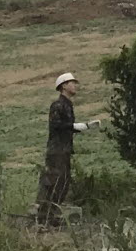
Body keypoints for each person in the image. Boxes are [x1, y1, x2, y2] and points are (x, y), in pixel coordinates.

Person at [36, 72, 101, 227]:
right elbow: (56, 125)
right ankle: (46, 216)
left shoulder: (68, 105)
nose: (74, 85)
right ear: (63, 86)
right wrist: (75, 126)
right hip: (57, 150)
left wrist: (85, 127)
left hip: (64, 150)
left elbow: (66, 128)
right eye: (71, 83)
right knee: (54, 182)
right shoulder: (58, 105)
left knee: (63, 183)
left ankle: (52, 214)